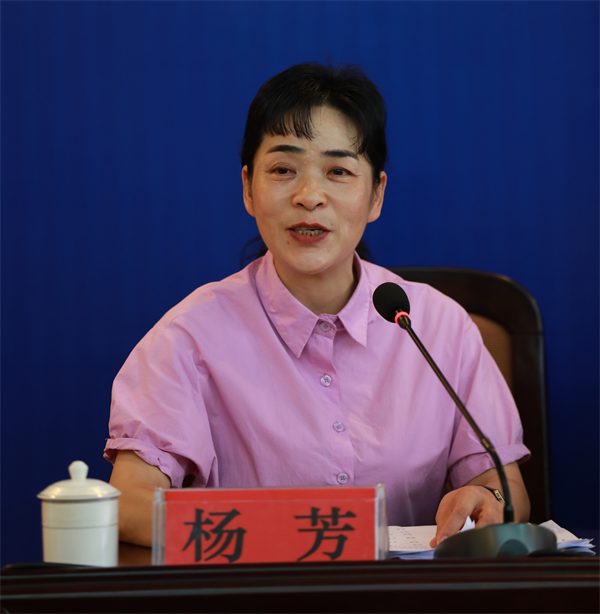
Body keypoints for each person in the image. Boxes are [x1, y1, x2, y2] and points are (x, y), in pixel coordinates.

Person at [106, 63, 530, 549]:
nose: (309, 196)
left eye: (338, 172)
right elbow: (130, 504)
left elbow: (507, 488)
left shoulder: (439, 327)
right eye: (282, 170)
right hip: (258, 588)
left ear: (376, 195)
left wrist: (487, 495)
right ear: (248, 188)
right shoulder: (189, 337)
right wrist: (293, 534)